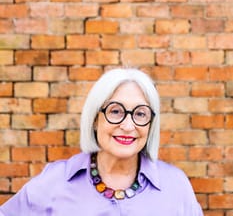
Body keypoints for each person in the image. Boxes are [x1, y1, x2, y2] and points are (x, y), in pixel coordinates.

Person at [0, 67, 203, 215]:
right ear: (96, 118)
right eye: (116, 111)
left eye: (140, 114)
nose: (128, 125)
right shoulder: (55, 181)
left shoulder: (176, 186)